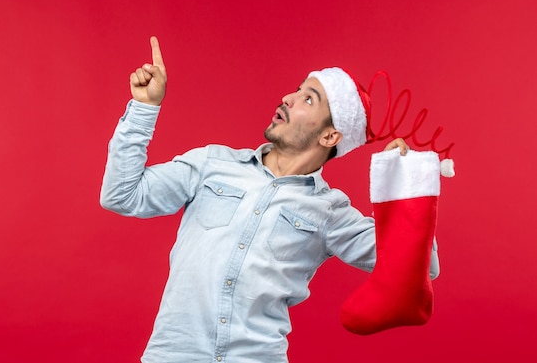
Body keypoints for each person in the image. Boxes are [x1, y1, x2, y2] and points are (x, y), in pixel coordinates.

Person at [100, 37, 440, 362]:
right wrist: (144, 108)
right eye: (296, 90)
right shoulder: (211, 163)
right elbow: (122, 195)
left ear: (330, 135)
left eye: (309, 99)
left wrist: (402, 188)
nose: (287, 99)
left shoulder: (330, 211)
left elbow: (424, 266)